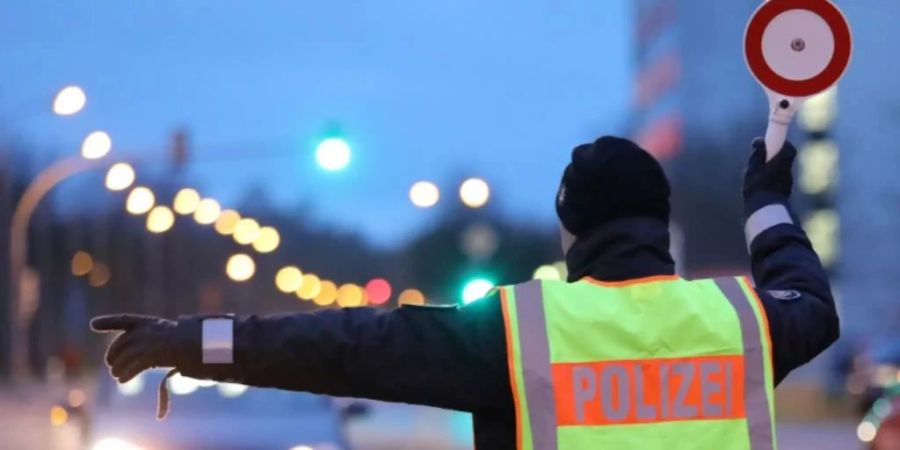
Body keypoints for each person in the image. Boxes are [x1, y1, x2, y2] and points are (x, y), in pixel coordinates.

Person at [92, 136, 839, 449]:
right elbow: (809, 298)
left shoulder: (521, 332)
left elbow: (348, 349)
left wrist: (195, 340)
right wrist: (764, 202)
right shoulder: (741, 321)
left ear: (569, 232)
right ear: (660, 221)